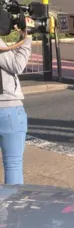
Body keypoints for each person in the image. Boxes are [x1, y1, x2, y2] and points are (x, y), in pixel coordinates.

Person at [0, 22, 31, 184]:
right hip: (7, 107)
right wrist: (27, 39)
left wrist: (21, 38)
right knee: (13, 165)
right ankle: (12, 207)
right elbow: (16, 65)